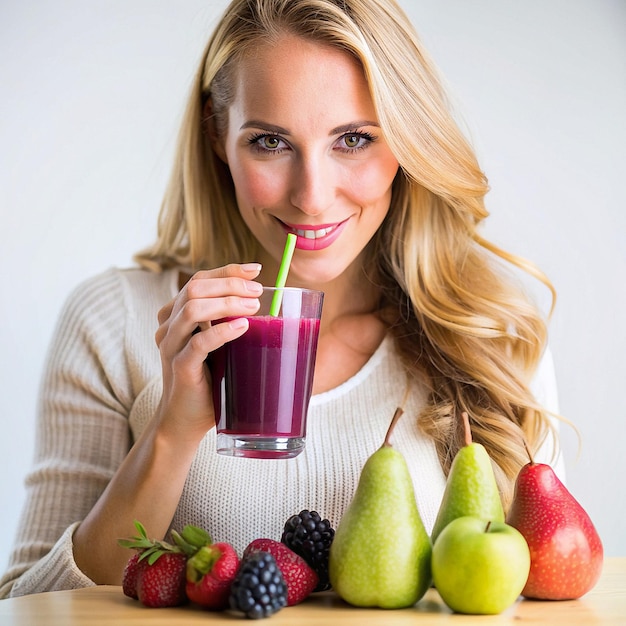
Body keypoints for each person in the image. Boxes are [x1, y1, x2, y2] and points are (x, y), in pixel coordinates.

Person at [0, 0, 564, 598]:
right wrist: (171, 433)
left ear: (407, 140)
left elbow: (544, 598)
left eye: (353, 139)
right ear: (219, 137)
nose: (313, 197)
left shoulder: (491, 331)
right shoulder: (111, 321)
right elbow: (29, 606)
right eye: (270, 141)